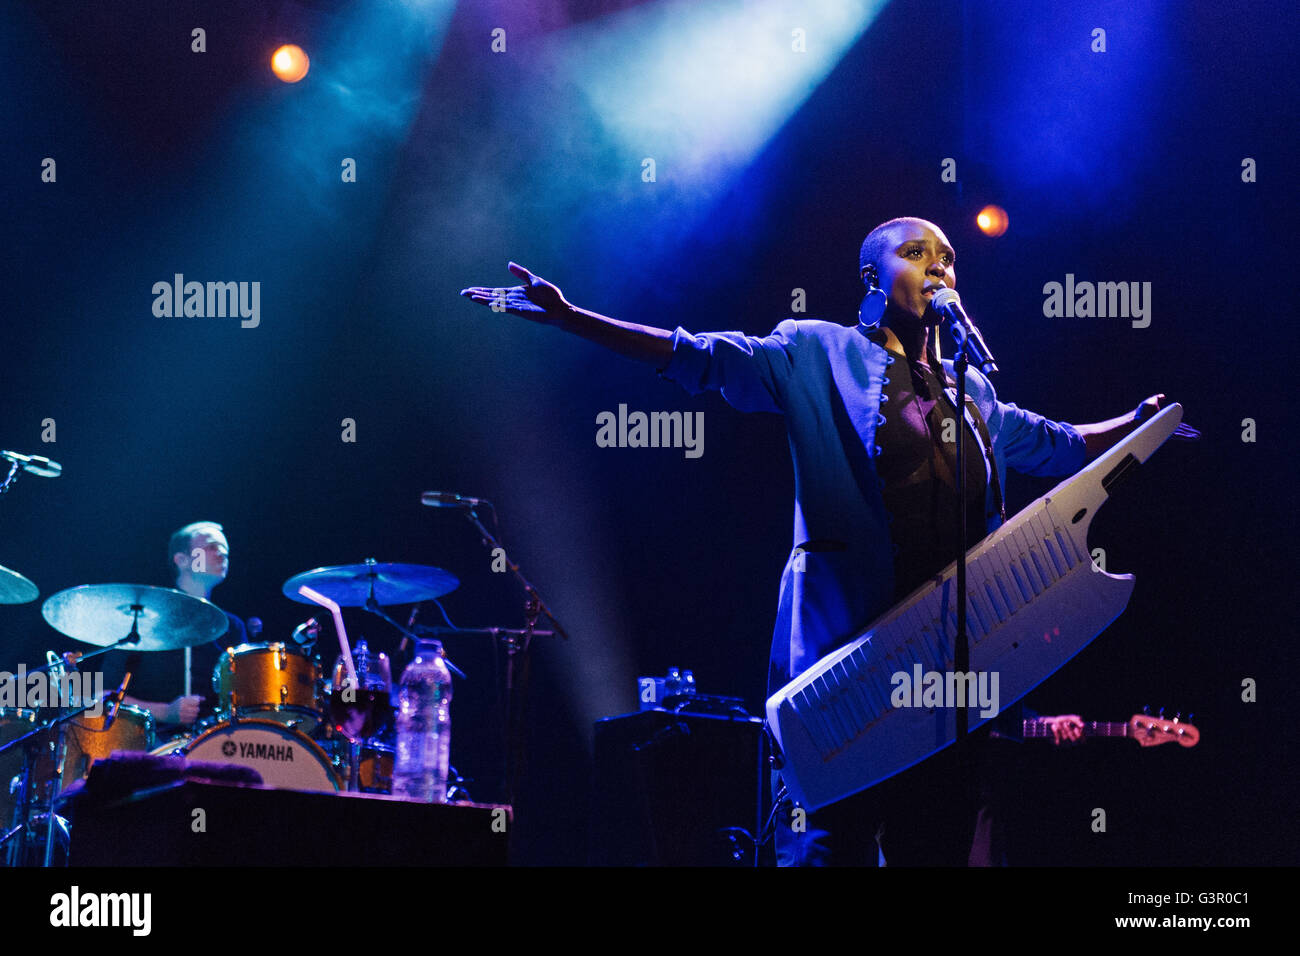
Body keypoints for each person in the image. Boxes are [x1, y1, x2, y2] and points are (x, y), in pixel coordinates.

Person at [460, 217, 1165, 864]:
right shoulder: (816, 351)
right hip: (850, 664)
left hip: (950, 676)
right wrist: (572, 317)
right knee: (835, 844)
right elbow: (700, 357)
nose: (939, 267)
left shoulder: (972, 392)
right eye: (916, 253)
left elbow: (1064, 446)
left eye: (948, 258)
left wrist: (1138, 422)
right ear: (871, 277)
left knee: (940, 842)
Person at [120, 521, 248, 729]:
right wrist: (164, 712)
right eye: (212, 546)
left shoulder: (232, 626)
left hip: (216, 743)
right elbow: (100, 698)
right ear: (182, 560)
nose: (222, 553)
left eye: (225, 549)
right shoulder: (142, 618)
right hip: (151, 746)